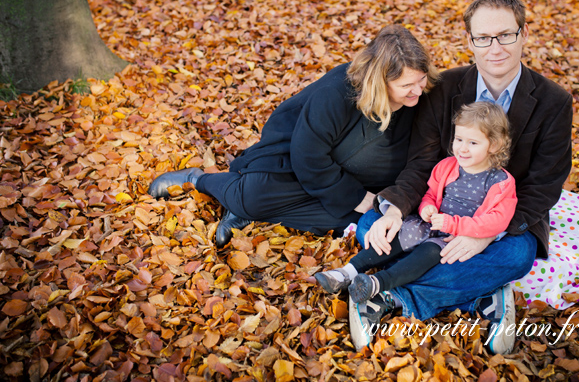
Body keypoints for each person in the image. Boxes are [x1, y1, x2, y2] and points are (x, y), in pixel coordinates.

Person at [350, 0, 573, 354]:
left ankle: (387, 297)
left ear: (524, 34)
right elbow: (421, 163)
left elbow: (545, 184)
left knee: (517, 256)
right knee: (371, 227)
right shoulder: (444, 89)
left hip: (503, 217)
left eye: (506, 35)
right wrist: (394, 211)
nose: (495, 47)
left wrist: (488, 234)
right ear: (469, 40)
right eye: (483, 38)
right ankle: (482, 297)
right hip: (438, 211)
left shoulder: (554, 101)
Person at [148, 24, 439, 247]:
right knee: (252, 196)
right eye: (406, 85)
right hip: (291, 164)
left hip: (351, 182)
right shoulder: (337, 93)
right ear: (379, 81)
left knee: (353, 222)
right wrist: (355, 196)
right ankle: (200, 179)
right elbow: (308, 156)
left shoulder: (418, 101)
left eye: (421, 80)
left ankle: (250, 210)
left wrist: (369, 199)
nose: (417, 90)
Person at [315, 102, 517, 309]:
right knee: (395, 236)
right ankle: (347, 271)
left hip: (454, 237)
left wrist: (453, 225)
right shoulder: (447, 166)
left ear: (494, 145)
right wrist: (426, 208)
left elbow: (496, 221)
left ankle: (378, 283)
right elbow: (430, 194)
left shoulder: (500, 182)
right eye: (459, 139)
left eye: (473, 143)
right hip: (430, 224)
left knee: (428, 254)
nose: (462, 148)